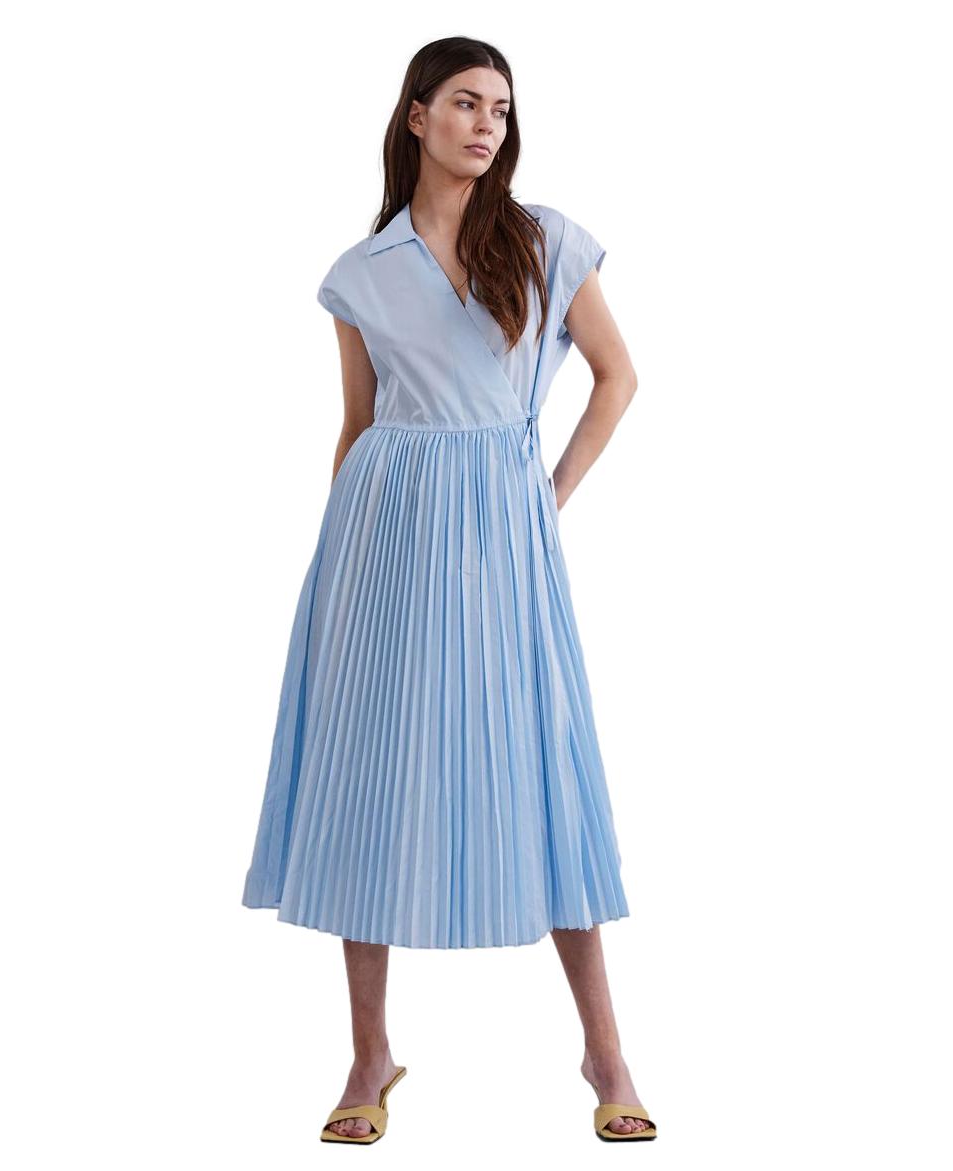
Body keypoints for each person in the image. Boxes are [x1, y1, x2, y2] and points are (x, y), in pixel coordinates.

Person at [241, 37, 654, 1144]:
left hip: (505, 537)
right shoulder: (362, 271)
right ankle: (368, 1054)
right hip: (379, 539)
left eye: (501, 110)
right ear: (417, 115)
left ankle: (606, 1051)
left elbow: (617, 377)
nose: (486, 125)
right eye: (466, 103)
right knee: (368, 772)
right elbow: (357, 424)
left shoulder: (545, 239)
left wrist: (547, 497)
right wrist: (333, 575)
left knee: (545, 764)